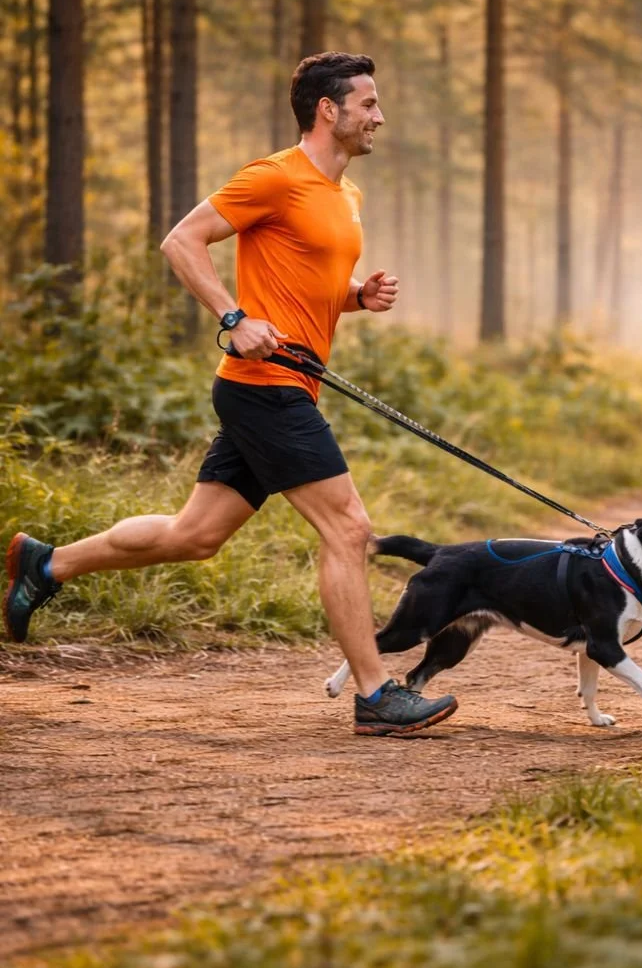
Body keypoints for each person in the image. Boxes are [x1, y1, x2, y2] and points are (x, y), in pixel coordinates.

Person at [3, 51, 458, 737]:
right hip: (264, 389)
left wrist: (356, 298)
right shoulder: (275, 177)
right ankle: (374, 695)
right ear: (328, 111)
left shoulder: (346, 196)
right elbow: (181, 241)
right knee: (349, 528)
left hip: (286, 385)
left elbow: (307, 289)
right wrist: (233, 317)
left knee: (196, 536)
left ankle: (48, 563)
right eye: (367, 103)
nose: (379, 116)